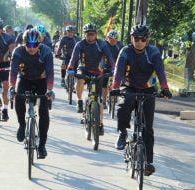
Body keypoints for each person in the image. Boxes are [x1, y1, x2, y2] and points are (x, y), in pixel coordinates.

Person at [112, 24, 172, 176]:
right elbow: (118, 71)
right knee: (123, 107)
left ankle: (148, 162)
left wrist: (165, 88)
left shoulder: (153, 52)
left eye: (143, 39)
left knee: (148, 128)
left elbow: (160, 71)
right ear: (131, 39)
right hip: (129, 86)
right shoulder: (125, 51)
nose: (139, 41)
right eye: (136, 38)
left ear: (147, 40)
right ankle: (123, 132)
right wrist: (115, 86)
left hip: (148, 89)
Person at [9, 28, 54, 158]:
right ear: (24, 43)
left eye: (35, 45)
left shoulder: (46, 52)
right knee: (18, 97)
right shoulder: (18, 52)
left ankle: (42, 146)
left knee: (43, 111)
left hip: (42, 80)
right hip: (24, 79)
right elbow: (12, 71)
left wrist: (49, 90)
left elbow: (50, 73)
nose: (32, 48)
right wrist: (12, 87)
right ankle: (22, 125)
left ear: (40, 44)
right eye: (29, 45)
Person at [67, 23, 115, 135]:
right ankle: (79, 100)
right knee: (80, 80)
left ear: (96, 34)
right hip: (83, 69)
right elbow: (73, 58)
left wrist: (113, 68)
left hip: (97, 71)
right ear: (85, 34)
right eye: (88, 34)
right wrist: (70, 68)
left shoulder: (102, 44)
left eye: (92, 34)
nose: (90, 36)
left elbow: (110, 58)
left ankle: (101, 124)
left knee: (99, 100)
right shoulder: (80, 44)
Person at [102, 30, 123, 108]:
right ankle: (103, 101)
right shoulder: (104, 45)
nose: (113, 41)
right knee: (104, 85)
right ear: (107, 38)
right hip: (105, 66)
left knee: (116, 83)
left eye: (115, 39)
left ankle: (113, 99)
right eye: (111, 39)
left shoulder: (120, 45)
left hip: (116, 67)